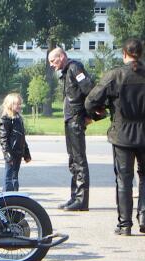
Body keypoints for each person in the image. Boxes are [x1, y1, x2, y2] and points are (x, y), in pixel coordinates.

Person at [85, 38, 145, 235]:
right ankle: (144, 217)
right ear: (140, 53)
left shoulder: (115, 75)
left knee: (124, 179)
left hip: (122, 134)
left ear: (124, 54)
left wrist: (99, 112)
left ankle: (125, 224)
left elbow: (90, 101)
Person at [48, 47, 94, 211]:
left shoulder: (75, 67)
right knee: (73, 160)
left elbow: (90, 90)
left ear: (61, 56)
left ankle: (82, 200)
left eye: (53, 61)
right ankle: (75, 197)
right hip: (70, 119)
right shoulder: (67, 71)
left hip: (76, 118)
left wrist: (88, 114)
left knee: (79, 160)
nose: (51, 65)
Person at [0, 93, 32, 191]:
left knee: (15, 178)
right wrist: (8, 156)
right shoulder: (5, 120)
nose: (19, 106)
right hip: (11, 154)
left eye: (20, 104)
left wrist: (26, 154)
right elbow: (3, 140)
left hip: (18, 153)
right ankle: (7, 197)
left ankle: (15, 197)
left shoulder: (18, 119)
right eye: (17, 104)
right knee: (9, 178)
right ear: (10, 104)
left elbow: (22, 138)